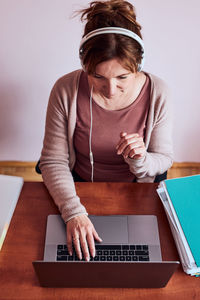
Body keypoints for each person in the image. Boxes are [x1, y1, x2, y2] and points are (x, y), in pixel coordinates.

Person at [39, 0, 173, 262]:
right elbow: (53, 160)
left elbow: (164, 158)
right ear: (84, 65)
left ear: (139, 64)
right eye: (98, 77)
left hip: (137, 190)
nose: (110, 90)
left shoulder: (159, 92)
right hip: (77, 189)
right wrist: (74, 213)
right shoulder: (65, 89)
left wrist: (142, 160)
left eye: (123, 77)